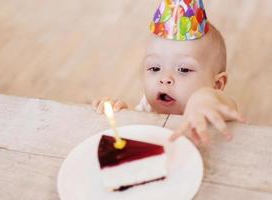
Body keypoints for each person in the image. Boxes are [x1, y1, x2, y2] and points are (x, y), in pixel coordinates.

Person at [92, 0, 246, 146]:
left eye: (183, 69)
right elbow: (136, 131)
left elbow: (228, 106)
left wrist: (206, 98)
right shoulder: (148, 106)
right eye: (155, 68)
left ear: (217, 85)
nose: (165, 79)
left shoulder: (210, 108)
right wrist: (123, 114)